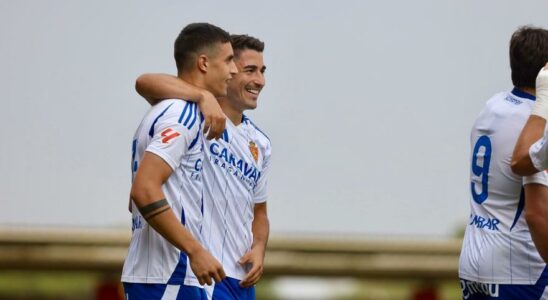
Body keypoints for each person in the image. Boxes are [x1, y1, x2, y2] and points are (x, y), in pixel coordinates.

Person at [135, 34, 271, 300]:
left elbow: (260, 212)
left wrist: (259, 247)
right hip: (203, 272)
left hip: (241, 280)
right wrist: (202, 96)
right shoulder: (194, 115)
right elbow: (144, 82)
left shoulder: (260, 143)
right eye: (249, 70)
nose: (260, 80)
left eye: (263, 71)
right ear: (228, 71)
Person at [121, 22, 237, 299]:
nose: (234, 70)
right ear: (204, 63)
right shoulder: (181, 116)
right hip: (169, 274)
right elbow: (143, 191)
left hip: (164, 274)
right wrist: (196, 250)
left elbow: (137, 199)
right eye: (229, 60)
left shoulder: (166, 109)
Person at [459, 26, 548, 300]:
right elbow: (536, 213)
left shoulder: (492, 106)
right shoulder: (535, 125)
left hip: (474, 260)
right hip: (519, 266)